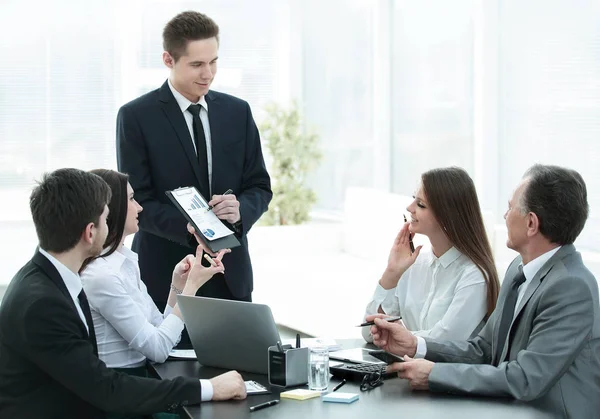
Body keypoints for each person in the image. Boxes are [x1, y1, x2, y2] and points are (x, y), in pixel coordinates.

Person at [0, 168, 246, 418]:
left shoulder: (47, 279)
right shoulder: (45, 304)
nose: (113, 225)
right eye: (106, 220)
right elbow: (107, 389)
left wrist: (180, 287)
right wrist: (209, 388)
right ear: (90, 232)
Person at [368, 164, 600, 417]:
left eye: (511, 208)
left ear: (531, 223)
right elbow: (484, 349)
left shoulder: (571, 286)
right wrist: (415, 345)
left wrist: (434, 374)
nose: (504, 215)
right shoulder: (519, 269)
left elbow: (526, 378)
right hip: (507, 408)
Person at [116, 11, 272, 321]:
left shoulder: (237, 112)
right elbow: (138, 200)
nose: (208, 74)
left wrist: (241, 209)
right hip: (166, 276)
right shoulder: (136, 117)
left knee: (237, 367)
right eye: (197, 64)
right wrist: (191, 229)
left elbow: (260, 186)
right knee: (166, 367)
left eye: (213, 61)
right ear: (168, 60)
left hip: (231, 275)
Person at [80, 169, 228, 370]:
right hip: (125, 384)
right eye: (132, 199)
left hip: (143, 375)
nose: (139, 208)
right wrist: (191, 288)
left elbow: (164, 336)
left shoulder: (124, 263)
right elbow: (157, 350)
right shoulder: (102, 275)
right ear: (113, 209)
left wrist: (178, 286)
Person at [363, 167, 500, 342]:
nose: (409, 208)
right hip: (408, 366)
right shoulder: (413, 264)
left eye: (420, 204)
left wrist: (395, 334)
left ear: (447, 216)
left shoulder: (474, 275)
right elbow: (368, 333)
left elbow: (446, 340)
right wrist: (392, 273)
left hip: (445, 369)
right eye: (414, 199)